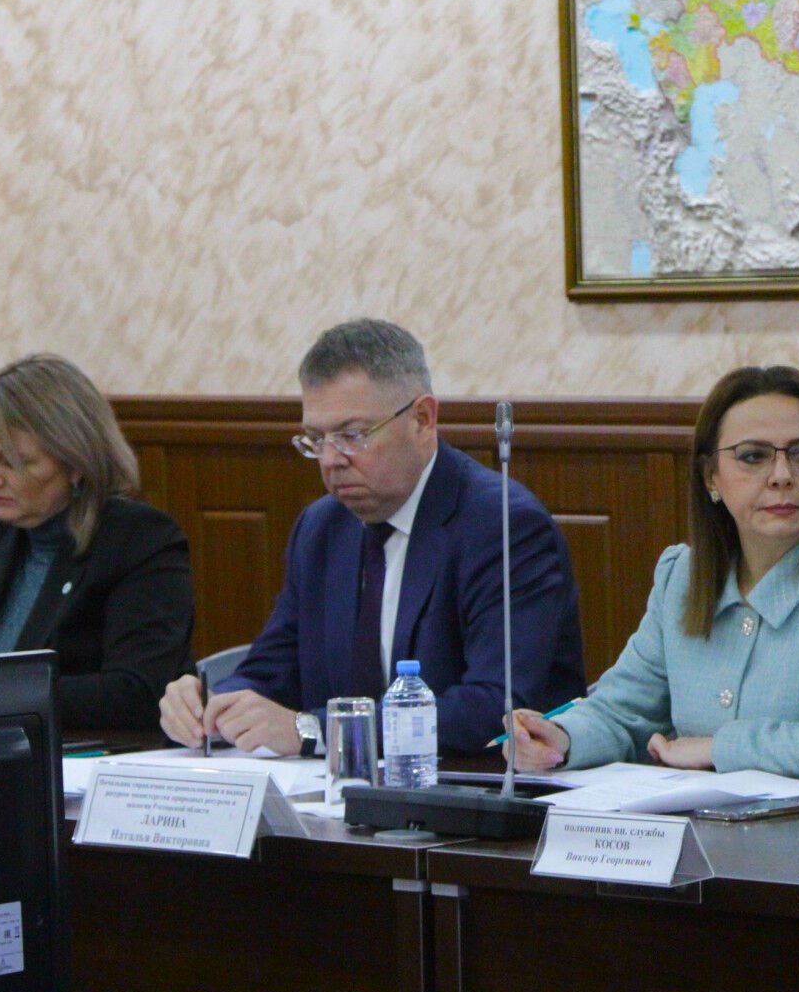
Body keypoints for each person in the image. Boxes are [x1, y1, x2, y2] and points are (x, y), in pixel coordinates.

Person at [158, 319, 585, 756]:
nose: (330, 460)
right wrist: (214, 706)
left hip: (479, 784)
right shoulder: (322, 528)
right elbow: (274, 670)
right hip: (342, 790)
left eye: (352, 436)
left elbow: (496, 706)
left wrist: (316, 730)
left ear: (422, 419)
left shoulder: (503, 525)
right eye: (316, 438)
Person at [508, 365, 799, 785]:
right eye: (753, 456)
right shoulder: (681, 577)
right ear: (711, 478)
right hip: (700, 822)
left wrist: (716, 747)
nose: (782, 476)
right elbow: (622, 712)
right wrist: (559, 738)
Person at [0, 354, 195, 730]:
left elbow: (138, 692)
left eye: (12, 461)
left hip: (80, 754)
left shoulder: (138, 540)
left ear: (76, 463)